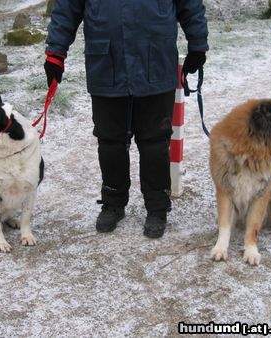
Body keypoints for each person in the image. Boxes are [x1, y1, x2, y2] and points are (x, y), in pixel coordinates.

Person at [45, 0, 208, 238]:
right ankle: (113, 202)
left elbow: (190, 5)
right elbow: (66, 9)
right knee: (110, 142)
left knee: (155, 143)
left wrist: (198, 45)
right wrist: (55, 53)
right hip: (106, 64)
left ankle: (157, 207)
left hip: (155, 62)